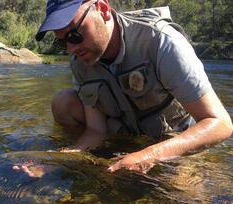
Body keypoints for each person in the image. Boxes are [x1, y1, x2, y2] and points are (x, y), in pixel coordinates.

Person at [35, 0, 232, 174]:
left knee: (184, 198)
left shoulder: (161, 41)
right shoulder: (80, 62)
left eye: (75, 34)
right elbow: (96, 130)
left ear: (103, 9)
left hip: (171, 137)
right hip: (126, 133)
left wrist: (149, 155)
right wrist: (67, 157)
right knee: (63, 102)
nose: (71, 49)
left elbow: (220, 124)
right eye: (62, 41)